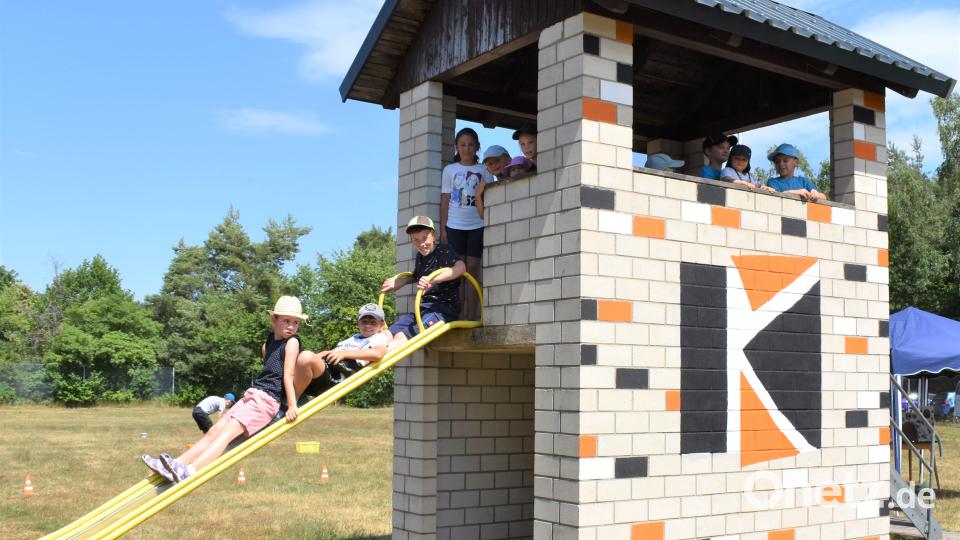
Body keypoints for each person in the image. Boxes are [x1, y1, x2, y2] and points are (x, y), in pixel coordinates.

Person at [141, 296, 306, 483]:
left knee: (226, 433)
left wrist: (292, 406)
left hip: (267, 400)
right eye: (286, 321)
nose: (291, 326)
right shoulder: (268, 344)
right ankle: (174, 464)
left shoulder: (292, 343)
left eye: (295, 322)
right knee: (213, 432)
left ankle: (190, 470)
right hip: (253, 395)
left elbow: (288, 375)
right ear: (274, 319)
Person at [382, 215, 465, 350]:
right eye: (416, 240)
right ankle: (361, 357)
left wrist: (433, 280)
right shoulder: (420, 257)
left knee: (401, 336)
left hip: (443, 309)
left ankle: (375, 357)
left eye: (425, 238)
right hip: (423, 309)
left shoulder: (444, 251)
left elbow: (461, 268)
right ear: (411, 241)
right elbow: (416, 276)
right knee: (387, 333)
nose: (421, 244)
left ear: (433, 235)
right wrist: (399, 282)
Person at [441, 128, 491, 319]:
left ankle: (472, 314)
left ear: (477, 147)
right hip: (455, 226)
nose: (467, 149)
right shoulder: (450, 170)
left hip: (477, 225)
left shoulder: (484, 170)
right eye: (462, 145)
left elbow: (491, 197)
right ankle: (459, 315)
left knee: (473, 268)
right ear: (456, 147)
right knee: (459, 270)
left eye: (471, 145)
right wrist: (443, 227)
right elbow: (445, 199)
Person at [293, 303, 391, 398]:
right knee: (297, 360)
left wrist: (343, 354)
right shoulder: (354, 338)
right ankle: (289, 395)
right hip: (326, 369)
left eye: (373, 322)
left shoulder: (378, 337)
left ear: (381, 325)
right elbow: (334, 352)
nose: (368, 325)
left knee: (305, 356)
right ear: (358, 323)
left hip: (336, 376)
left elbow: (378, 353)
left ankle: (293, 401)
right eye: (364, 321)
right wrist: (321, 354)